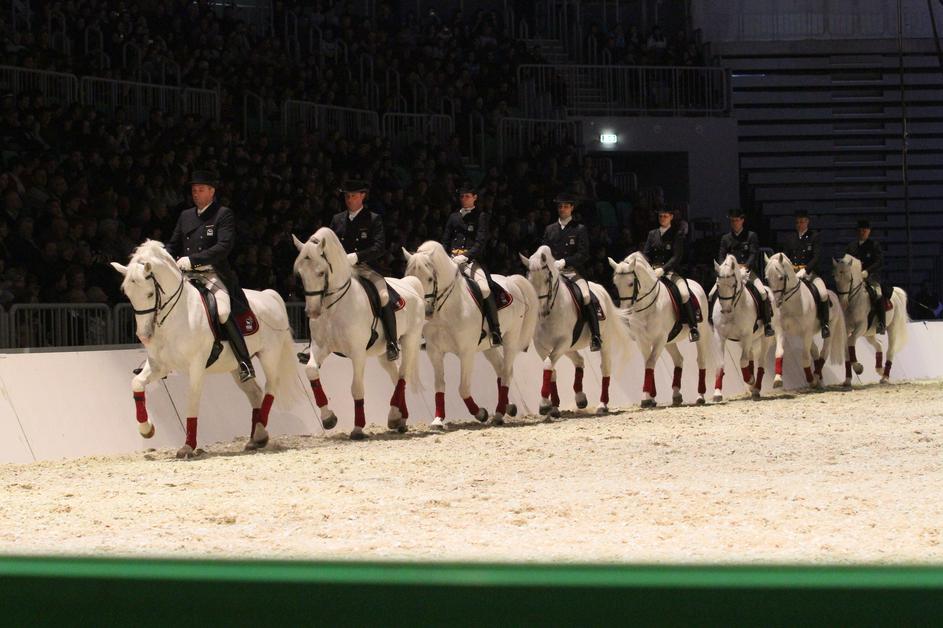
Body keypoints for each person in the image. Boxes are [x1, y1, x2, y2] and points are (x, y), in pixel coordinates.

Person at [166, 169, 255, 381]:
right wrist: (162, 257)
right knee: (165, 304)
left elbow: (223, 246)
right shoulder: (186, 216)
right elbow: (173, 244)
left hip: (212, 274)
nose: (196, 194)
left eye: (200, 190)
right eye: (194, 191)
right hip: (187, 275)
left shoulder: (222, 214)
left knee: (223, 311)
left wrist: (194, 260)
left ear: (211, 191)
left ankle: (244, 362)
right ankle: (157, 359)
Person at [329, 180, 399, 361]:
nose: (349, 199)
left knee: (384, 296)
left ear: (362, 196)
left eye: (353, 196)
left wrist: (357, 256)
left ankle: (391, 342)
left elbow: (379, 247)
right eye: (347, 196)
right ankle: (315, 342)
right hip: (342, 270)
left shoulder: (373, 219)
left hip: (365, 268)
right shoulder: (337, 219)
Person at [442, 183, 502, 346]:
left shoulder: (481, 216)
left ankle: (494, 330)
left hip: (471, 261)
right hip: (451, 260)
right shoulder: (454, 217)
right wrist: (447, 256)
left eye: (467, 196)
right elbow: (445, 240)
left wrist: (465, 256)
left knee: (485, 289)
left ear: (475, 198)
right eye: (462, 196)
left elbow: (480, 242)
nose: (464, 199)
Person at [542, 192, 601, 351]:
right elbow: (543, 251)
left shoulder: (579, 229)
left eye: (566, 206)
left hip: (573, 272)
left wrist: (565, 261)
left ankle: (595, 336)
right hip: (553, 273)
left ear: (572, 208)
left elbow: (583, 254)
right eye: (560, 206)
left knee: (586, 296)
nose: (562, 209)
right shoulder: (550, 229)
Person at [643, 207, 700, 341]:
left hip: (671, 272)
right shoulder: (652, 234)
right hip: (653, 272)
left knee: (684, 293)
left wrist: (663, 269)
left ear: (671, 217)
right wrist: (648, 267)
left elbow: (677, 257)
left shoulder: (677, 234)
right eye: (660, 216)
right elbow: (646, 254)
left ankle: (693, 327)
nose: (662, 218)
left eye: (665, 216)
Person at [717, 208, 774, 336]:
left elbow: (753, 254)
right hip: (730, 274)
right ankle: (712, 319)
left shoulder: (751, 236)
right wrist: (723, 269)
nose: (734, 223)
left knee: (763, 293)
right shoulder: (726, 238)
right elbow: (721, 255)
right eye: (732, 221)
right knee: (712, 294)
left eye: (737, 220)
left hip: (747, 272)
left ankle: (767, 323)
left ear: (742, 220)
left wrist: (745, 267)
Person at [780, 209, 829, 337]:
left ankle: (825, 324)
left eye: (802, 222)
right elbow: (785, 256)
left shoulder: (814, 237)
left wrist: (805, 270)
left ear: (807, 222)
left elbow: (816, 257)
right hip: (793, 274)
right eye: (797, 222)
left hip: (810, 273)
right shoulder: (790, 238)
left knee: (823, 293)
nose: (799, 224)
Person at [845, 219, 892, 334]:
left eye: (865, 231)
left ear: (869, 231)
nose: (862, 233)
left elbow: (879, 261)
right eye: (860, 230)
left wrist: (867, 271)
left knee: (878, 293)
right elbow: (846, 262)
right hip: (854, 279)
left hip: (870, 277)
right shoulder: (851, 246)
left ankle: (881, 323)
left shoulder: (874, 245)